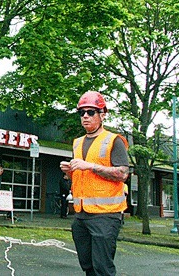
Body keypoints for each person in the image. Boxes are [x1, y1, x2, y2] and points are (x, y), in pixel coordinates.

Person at [60, 91, 129, 276]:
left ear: (102, 114)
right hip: (81, 215)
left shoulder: (113, 140)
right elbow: (82, 178)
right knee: (88, 266)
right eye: (81, 113)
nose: (85, 116)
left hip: (105, 216)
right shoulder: (77, 142)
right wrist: (70, 172)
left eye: (91, 112)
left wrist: (89, 166)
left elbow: (122, 174)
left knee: (102, 268)